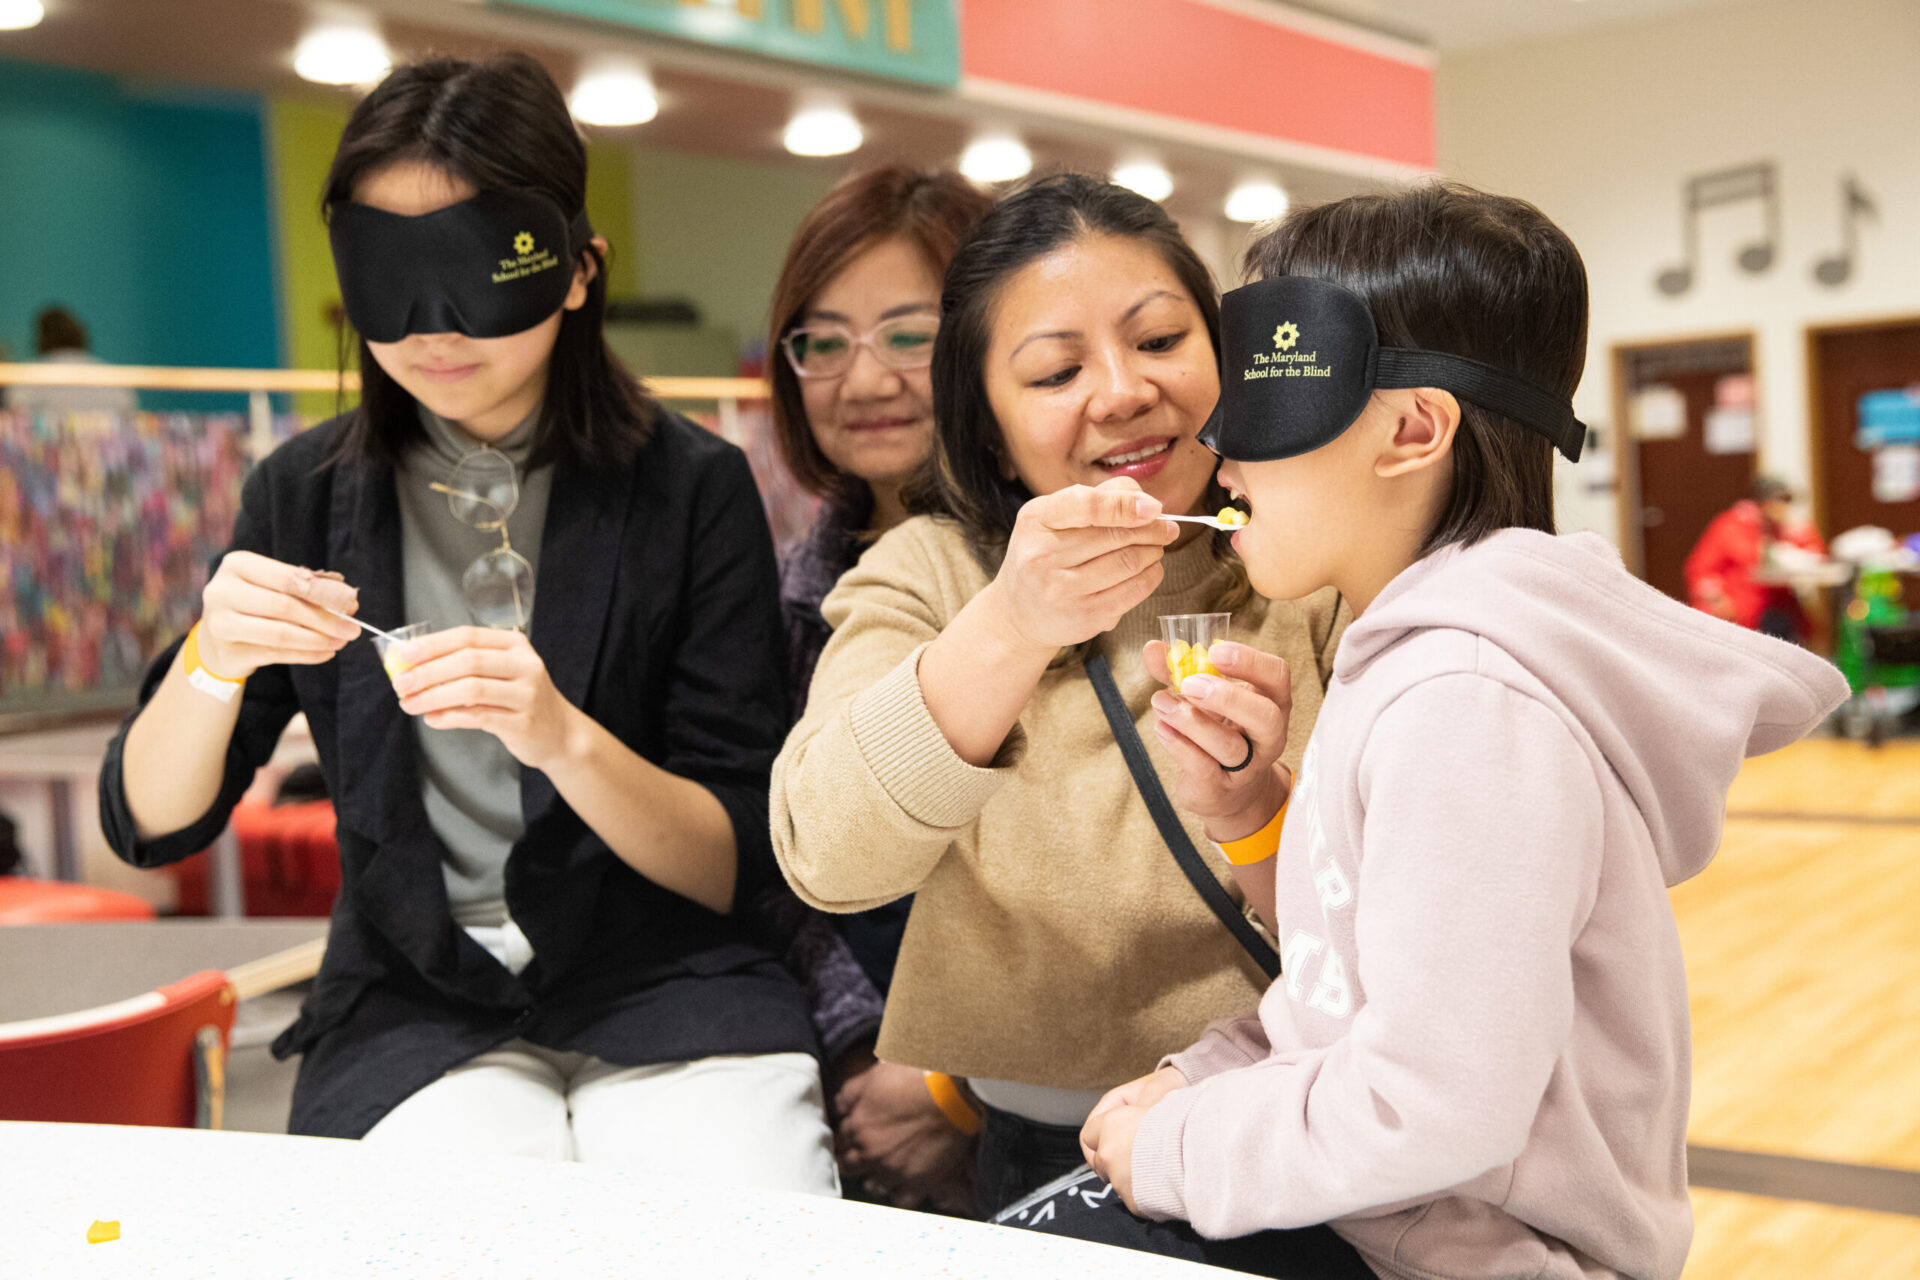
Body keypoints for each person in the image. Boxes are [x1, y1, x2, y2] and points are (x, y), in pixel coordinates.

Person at [1056, 184, 1847, 1277]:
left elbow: (1433, 1100)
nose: (1217, 452)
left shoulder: (1465, 701)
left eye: (1263, 404)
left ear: (1414, 429)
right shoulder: (1416, 659)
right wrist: (1209, 1074)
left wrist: (1182, 1146)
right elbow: (1359, 991)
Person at [99, 54, 835, 1193]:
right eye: (392, 273)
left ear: (577, 271)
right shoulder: (305, 495)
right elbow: (151, 821)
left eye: (477, 266)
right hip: (416, 1002)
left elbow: (736, 857)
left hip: (668, 981)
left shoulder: (691, 488)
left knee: (742, 1232)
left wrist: (562, 738)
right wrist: (213, 658)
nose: (434, 326)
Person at [770, 173, 1348, 1217]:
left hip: (1303, 1120)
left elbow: (1414, 892)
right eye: (1055, 370)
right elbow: (827, 854)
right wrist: (1010, 623)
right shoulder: (930, 572)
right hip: (1042, 1142)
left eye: (1161, 340)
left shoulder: (1318, 552)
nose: (1121, 391)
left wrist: (1263, 808)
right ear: (988, 427)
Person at [765, 164, 992, 1212]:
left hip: (1059, 1096)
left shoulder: (1067, 574)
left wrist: (956, 1084)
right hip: (845, 1086)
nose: (861, 381)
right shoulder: (784, 592)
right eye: (822, 342)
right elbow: (781, 872)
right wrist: (864, 1051)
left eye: (908, 335)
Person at [1685, 475, 1827, 641]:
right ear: (1761, 503)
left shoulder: (1784, 528)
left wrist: (1798, 527)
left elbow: (1815, 554)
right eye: (1777, 501)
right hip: (1737, 608)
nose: (1782, 507)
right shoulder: (1731, 525)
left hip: (1775, 608)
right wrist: (1716, 599)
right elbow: (1700, 568)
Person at [3, 306, 138, 415]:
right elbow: (128, 406)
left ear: (42, 337)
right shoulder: (113, 379)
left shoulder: (29, 377)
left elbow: (16, 407)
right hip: (103, 441)